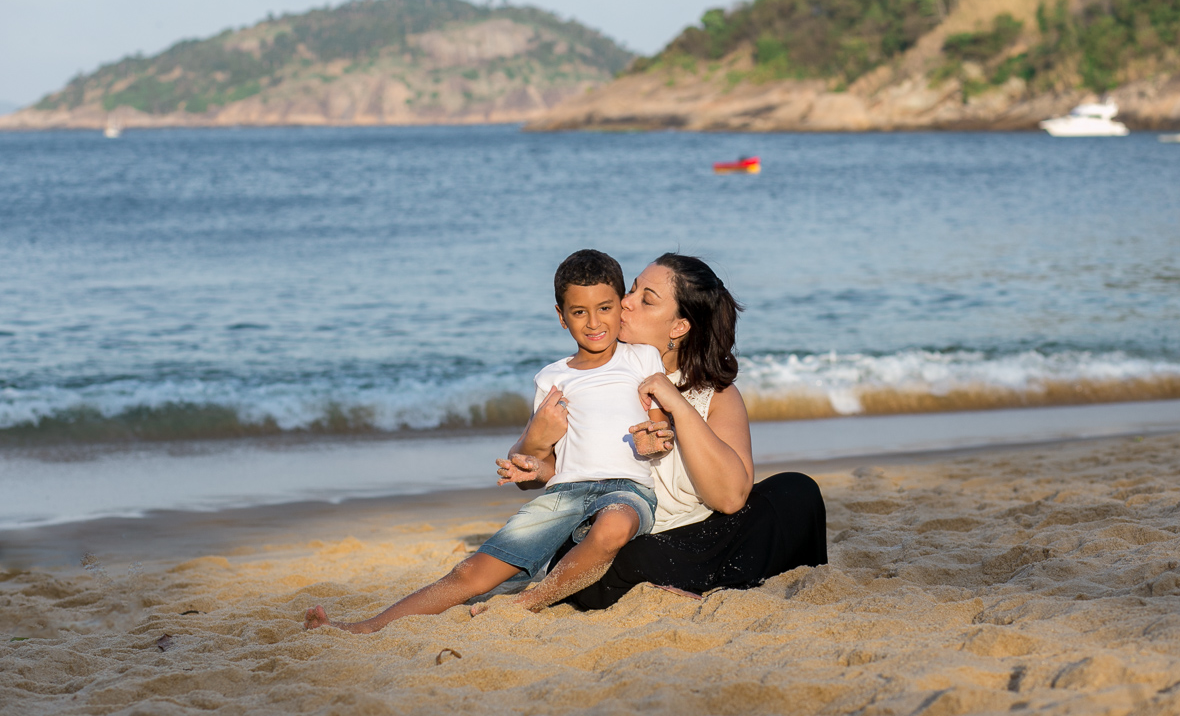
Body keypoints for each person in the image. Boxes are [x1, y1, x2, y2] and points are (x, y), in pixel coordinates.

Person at [303, 249, 673, 633]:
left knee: (612, 529)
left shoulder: (642, 358)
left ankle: (526, 602)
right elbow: (552, 464)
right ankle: (364, 627)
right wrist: (530, 465)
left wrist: (656, 441)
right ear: (561, 317)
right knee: (470, 571)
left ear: (620, 308)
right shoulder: (552, 378)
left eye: (605, 308)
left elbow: (661, 430)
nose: (594, 322)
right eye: (579, 312)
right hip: (565, 492)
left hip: (628, 491)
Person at [497, 253, 828, 608]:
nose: (625, 302)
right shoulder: (599, 372)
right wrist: (532, 438)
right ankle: (699, 583)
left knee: (797, 492)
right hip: (624, 539)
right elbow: (537, 475)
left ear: (678, 327)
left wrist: (677, 404)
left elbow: (730, 499)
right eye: (632, 290)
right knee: (613, 551)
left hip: (696, 535)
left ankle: (700, 586)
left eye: (645, 299)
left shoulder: (716, 395)